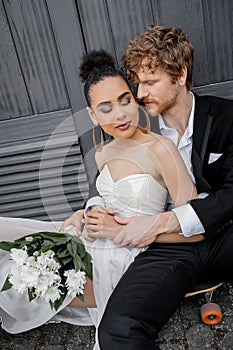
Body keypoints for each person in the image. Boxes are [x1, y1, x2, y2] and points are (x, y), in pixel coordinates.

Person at [0, 49, 202, 349]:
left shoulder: (161, 150)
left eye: (125, 100)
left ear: (135, 99)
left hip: (125, 258)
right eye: (105, 108)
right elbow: (106, 198)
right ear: (92, 116)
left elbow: (194, 232)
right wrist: (84, 212)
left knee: (22, 281)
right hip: (88, 238)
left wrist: (121, 231)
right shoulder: (102, 152)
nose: (120, 114)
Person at [63, 26, 233, 349]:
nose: (139, 93)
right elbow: (111, 176)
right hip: (170, 248)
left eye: (150, 82)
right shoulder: (136, 128)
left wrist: (158, 224)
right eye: (137, 84)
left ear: (180, 75)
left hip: (221, 233)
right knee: (115, 331)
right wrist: (88, 210)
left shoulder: (226, 117)